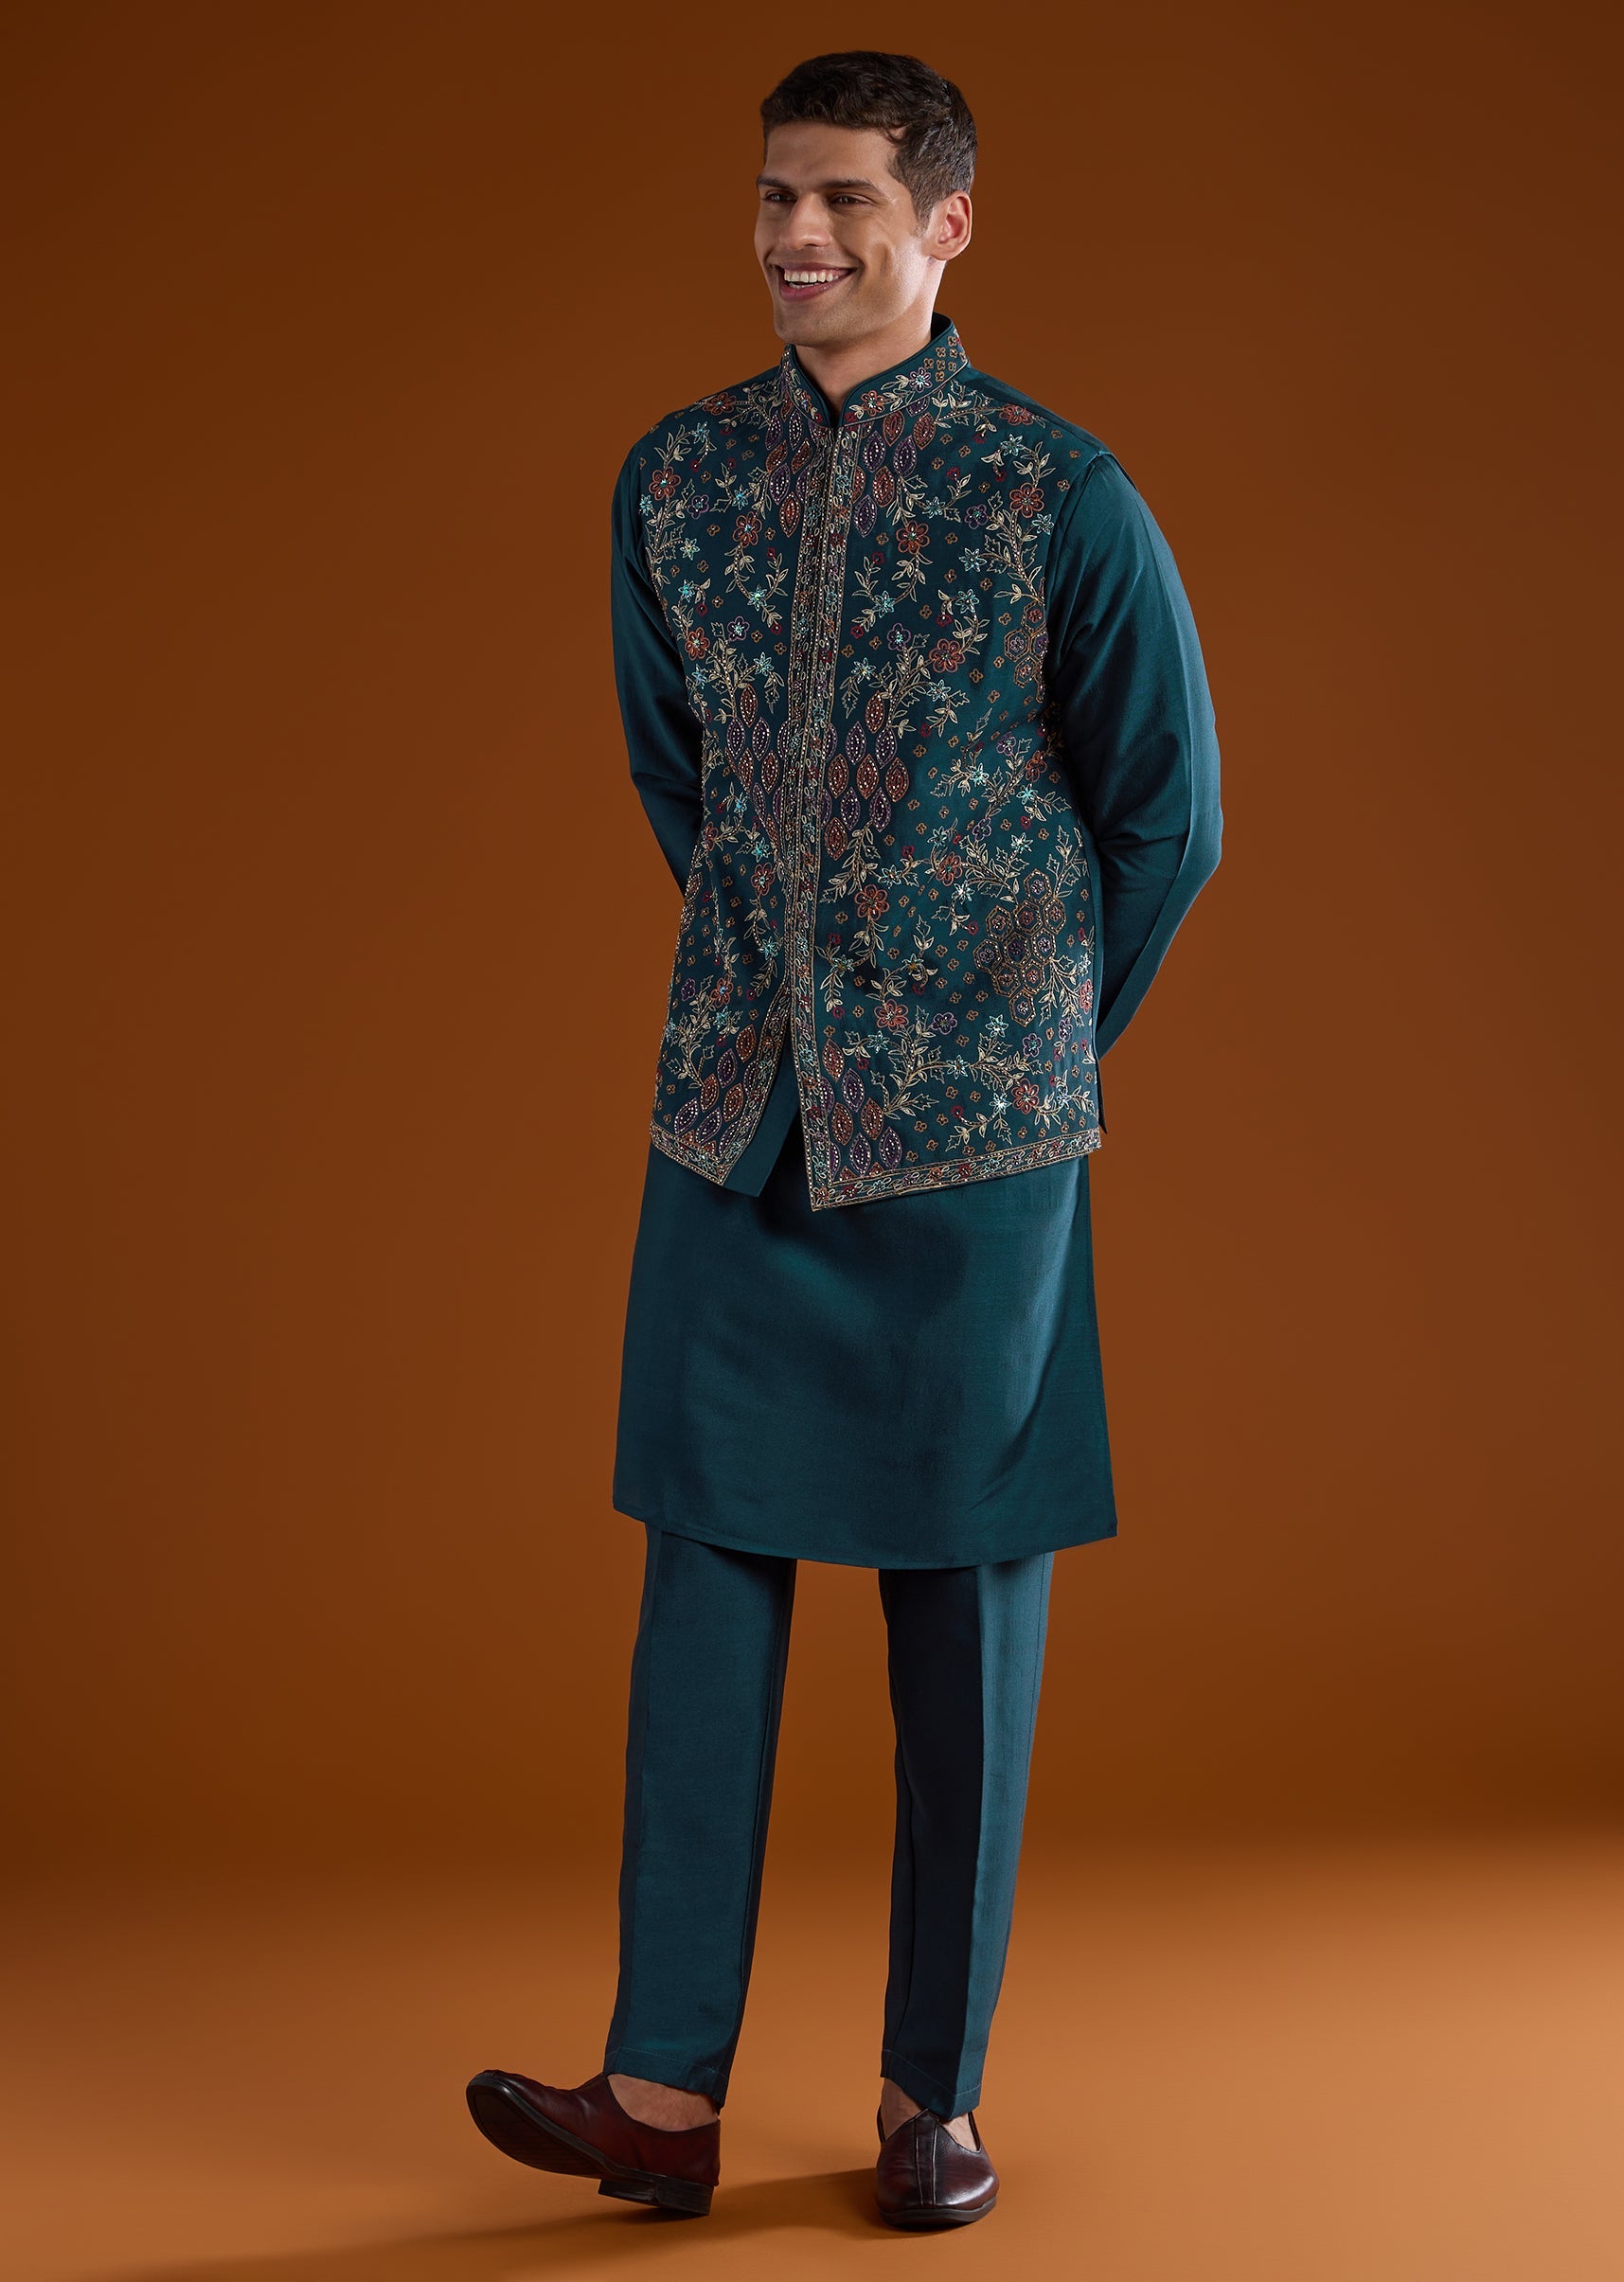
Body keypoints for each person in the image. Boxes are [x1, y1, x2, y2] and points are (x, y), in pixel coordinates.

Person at [467, 48, 1222, 2230]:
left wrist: (1020, 1043)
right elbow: (676, 774)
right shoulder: (677, 480)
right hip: (736, 1113)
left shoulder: (1061, 492)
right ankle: (660, 2092)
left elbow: (1167, 816)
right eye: (776, 198)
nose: (800, 236)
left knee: (962, 1602)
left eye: (846, 203)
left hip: (984, 1144)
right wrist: (793, 987)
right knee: (701, 1573)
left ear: (946, 226)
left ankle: (930, 2095)